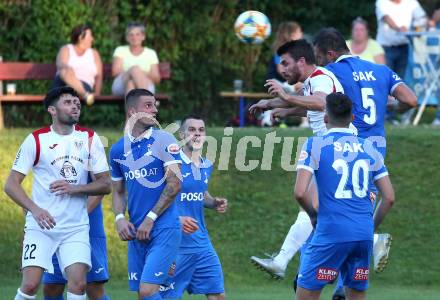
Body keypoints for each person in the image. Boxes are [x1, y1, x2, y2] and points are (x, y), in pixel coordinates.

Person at [313, 26, 417, 300]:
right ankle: (348, 274)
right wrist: (389, 107)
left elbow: (317, 101)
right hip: (375, 151)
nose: (319, 63)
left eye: (319, 57)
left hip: (347, 146)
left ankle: (322, 277)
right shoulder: (381, 71)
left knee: (328, 209)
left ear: (330, 53)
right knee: (358, 211)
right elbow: (411, 99)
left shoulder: (333, 72)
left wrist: (283, 101)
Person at [249, 39, 346, 279]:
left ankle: (282, 261)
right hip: (333, 147)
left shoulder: (321, 77)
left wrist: (284, 98)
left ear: (301, 62)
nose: (282, 69)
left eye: (285, 63)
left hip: (334, 148)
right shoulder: (314, 81)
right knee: (323, 211)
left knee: (310, 206)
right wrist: (271, 104)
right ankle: (282, 261)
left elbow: (320, 102)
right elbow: (308, 103)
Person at [3, 86, 111, 300]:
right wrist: (35, 210)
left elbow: (106, 184)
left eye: (77, 103)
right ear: (52, 110)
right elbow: (11, 184)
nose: (75, 106)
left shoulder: (90, 138)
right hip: (41, 227)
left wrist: (76, 188)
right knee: (31, 285)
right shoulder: (36, 139)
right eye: (68, 102)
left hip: (75, 227)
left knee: (78, 285)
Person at [295, 92, 395, 300]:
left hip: (331, 232)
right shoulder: (370, 148)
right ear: (352, 118)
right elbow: (389, 197)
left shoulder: (315, 145)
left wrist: (313, 215)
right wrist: (370, 227)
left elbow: (299, 192)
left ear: (325, 118)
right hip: (362, 235)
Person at [109, 88, 182, 299]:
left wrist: (151, 218)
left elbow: (175, 184)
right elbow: (118, 191)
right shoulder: (117, 150)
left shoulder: (164, 139)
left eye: (155, 105)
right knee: (145, 295)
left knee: (147, 290)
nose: (155, 110)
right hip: (136, 232)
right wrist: (120, 218)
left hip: (164, 227)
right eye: (148, 106)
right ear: (133, 112)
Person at [160, 114, 227, 300]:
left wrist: (213, 202)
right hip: (175, 245)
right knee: (166, 297)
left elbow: (201, 193)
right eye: (191, 130)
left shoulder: (206, 164)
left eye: (201, 130)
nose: (197, 134)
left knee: (218, 295)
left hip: (202, 244)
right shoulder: (171, 164)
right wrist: (175, 220)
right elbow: (158, 198)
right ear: (181, 135)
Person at [42, 191, 110, 300]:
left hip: (86, 223)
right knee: (52, 286)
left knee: (92, 287)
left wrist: (76, 218)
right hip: (55, 225)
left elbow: (102, 185)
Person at [375, 0, 427, 123]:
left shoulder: (411, 2)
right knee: (384, 82)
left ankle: (391, 116)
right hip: (385, 47)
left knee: (398, 83)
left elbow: (422, 17)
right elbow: (386, 18)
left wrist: (418, 25)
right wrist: (399, 28)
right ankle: (383, 115)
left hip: (403, 46)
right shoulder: (382, 2)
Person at [265, 22, 308, 127]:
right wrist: (295, 83)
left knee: (305, 87)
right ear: (292, 35)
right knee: (304, 88)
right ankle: (268, 117)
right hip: (277, 83)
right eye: (299, 32)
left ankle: (304, 122)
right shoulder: (281, 50)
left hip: (287, 84)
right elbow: (282, 71)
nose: (302, 34)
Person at [52, 24, 103, 106]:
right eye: (90, 36)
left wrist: (97, 93)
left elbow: (99, 76)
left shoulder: (94, 54)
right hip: (63, 82)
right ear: (80, 37)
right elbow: (61, 64)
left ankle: (82, 94)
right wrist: (70, 72)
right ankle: (85, 95)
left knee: (67, 96)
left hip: (84, 85)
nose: (92, 39)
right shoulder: (66, 49)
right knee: (65, 71)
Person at [111, 23, 161, 96]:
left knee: (131, 84)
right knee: (134, 70)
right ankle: (146, 102)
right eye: (131, 34)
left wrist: (139, 74)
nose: (134, 37)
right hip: (121, 85)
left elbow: (156, 78)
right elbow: (115, 72)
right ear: (127, 38)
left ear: (143, 36)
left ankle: (137, 106)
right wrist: (133, 71)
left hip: (147, 85)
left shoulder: (151, 53)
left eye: (138, 34)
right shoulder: (120, 50)